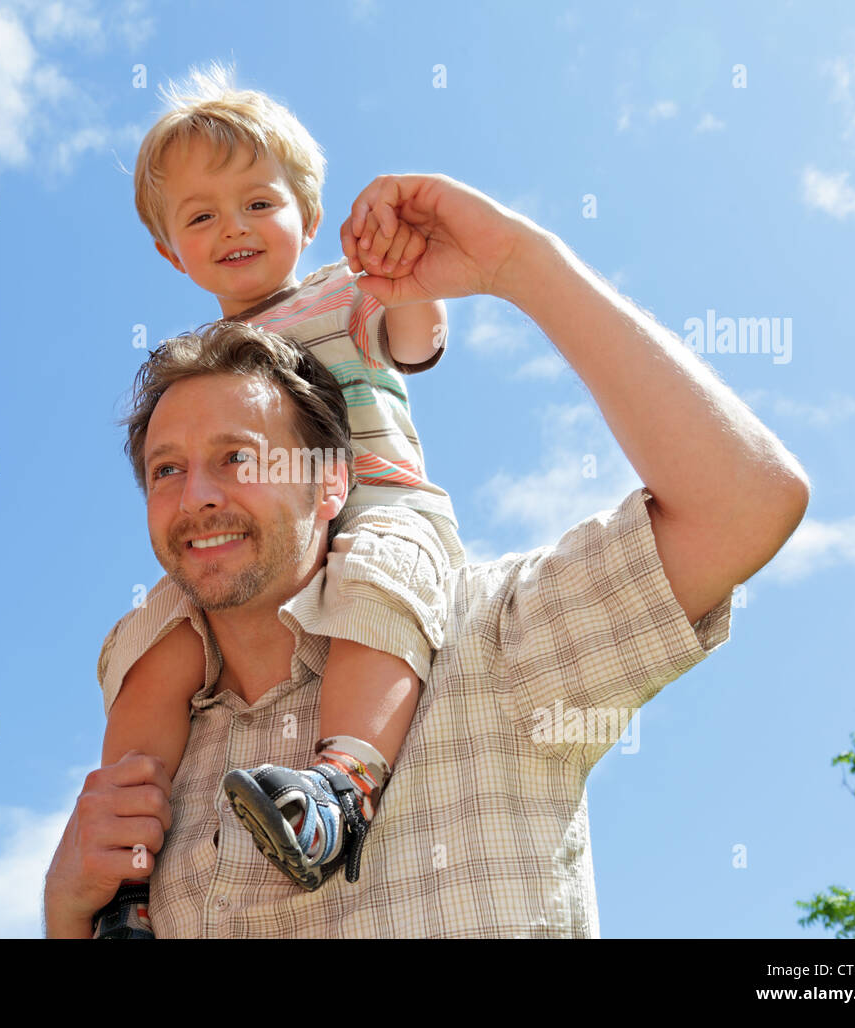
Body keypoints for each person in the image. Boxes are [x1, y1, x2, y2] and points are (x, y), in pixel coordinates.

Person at [42, 171, 811, 938]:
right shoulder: (167, 762)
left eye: (238, 458)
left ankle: (342, 791)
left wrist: (519, 262)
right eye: (166, 470)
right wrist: (66, 912)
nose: (198, 495)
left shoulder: (493, 644)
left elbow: (746, 506)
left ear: (332, 479)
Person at [93, 66, 465, 935]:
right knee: (153, 642)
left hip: (376, 505)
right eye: (201, 215)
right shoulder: (204, 358)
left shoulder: (344, 291)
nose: (234, 228)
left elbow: (415, 342)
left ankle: (342, 783)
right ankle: (127, 876)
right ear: (169, 252)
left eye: (259, 202)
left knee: (376, 584)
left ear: (307, 209)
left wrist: (411, 281)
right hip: (259, 553)